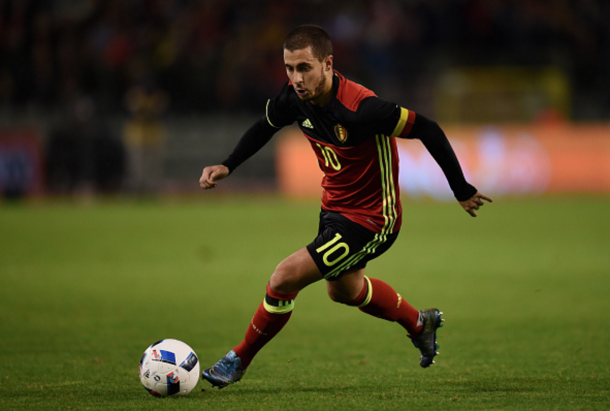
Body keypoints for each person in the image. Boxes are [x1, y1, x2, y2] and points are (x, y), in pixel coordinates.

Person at [199, 25, 492, 389]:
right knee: (345, 291)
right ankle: (420, 323)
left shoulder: (362, 109)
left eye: (304, 68)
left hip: (372, 218)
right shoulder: (293, 97)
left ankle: (238, 359)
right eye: (289, 68)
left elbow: (428, 129)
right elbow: (265, 126)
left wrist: (460, 189)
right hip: (333, 210)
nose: (295, 78)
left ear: (328, 63)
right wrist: (229, 164)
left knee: (284, 277)